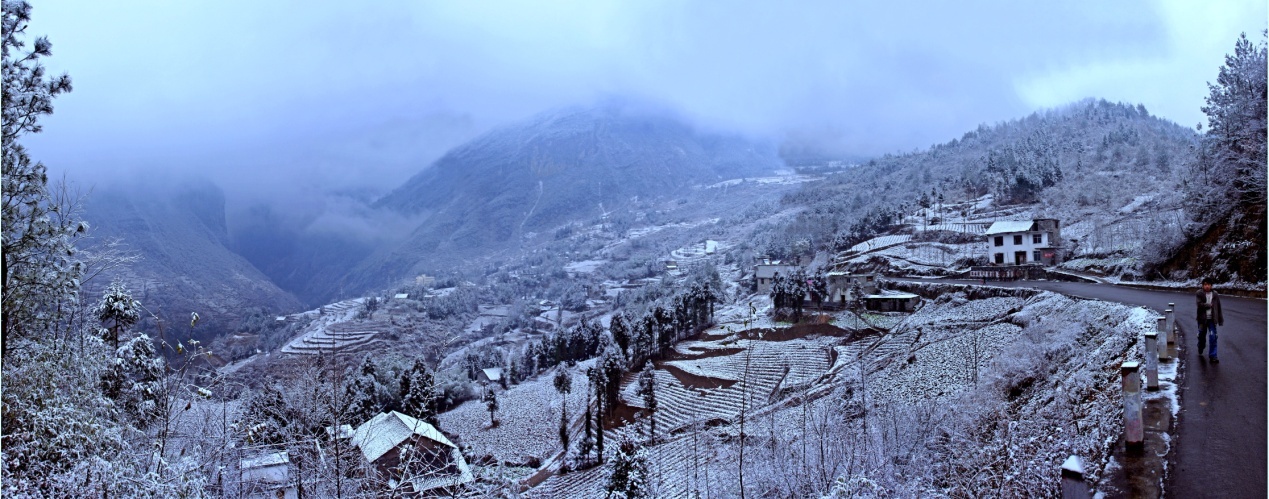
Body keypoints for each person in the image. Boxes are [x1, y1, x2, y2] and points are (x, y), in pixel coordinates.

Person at [1195, 278, 1224, 362]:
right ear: (1203, 285)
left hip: (1212, 319)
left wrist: (1220, 319)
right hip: (1202, 319)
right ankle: (1200, 346)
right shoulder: (1199, 293)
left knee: (1213, 336)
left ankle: (1213, 356)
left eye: (1208, 284)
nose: (1207, 286)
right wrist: (1208, 305)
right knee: (1201, 336)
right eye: (1205, 284)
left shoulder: (1215, 294)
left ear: (1211, 285)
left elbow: (1218, 307)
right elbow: (1199, 304)